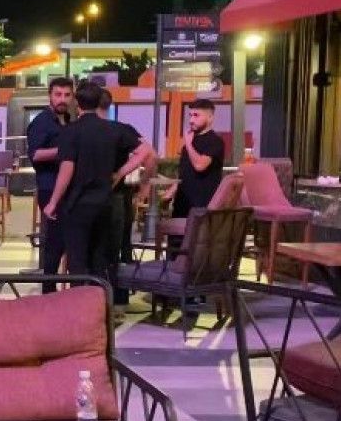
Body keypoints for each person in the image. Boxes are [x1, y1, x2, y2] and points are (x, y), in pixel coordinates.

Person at [42, 83, 147, 293]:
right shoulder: (114, 129)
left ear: (77, 103)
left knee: (77, 261)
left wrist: (53, 202)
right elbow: (145, 150)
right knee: (101, 260)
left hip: (78, 204)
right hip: (105, 202)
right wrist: (120, 172)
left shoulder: (71, 131)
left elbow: (67, 168)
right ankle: (100, 304)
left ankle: (80, 306)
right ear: (99, 102)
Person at [97, 87, 156, 310]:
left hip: (94, 198)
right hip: (120, 196)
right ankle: (119, 301)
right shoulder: (123, 129)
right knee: (120, 249)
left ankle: (93, 300)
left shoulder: (83, 129)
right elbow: (151, 155)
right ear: (109, 105)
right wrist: (144, 184)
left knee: (96, 249)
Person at [27, 76, 74, 292]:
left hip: (68, 189)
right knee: (55, 241)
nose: (62, 99)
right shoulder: (41, 122)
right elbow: (35, 155)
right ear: (50, 96)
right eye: (58, 94)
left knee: (65, 240)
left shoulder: (69, 120)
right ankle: (48, 290)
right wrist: (65, 150)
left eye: (67, 95)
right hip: (49, 188)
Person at [161, 99, 225, 219]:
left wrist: (189, 144)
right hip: (182, 206)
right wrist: (169, 194)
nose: (191, 120)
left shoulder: (215, 141)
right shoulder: (190, 142)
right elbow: (185, 175)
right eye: (190, 115)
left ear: (210, 118)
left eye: (196, 115)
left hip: (201, 207)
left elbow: (200, 166)